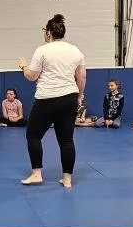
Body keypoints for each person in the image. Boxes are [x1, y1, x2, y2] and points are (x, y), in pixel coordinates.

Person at [16, 13, 85, 188]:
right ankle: (67, 179)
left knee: (33, 135)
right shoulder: (75, 50)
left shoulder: (42, 50)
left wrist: (23, 66)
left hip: (46, 99)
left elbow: (31, 76)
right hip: (69, 98)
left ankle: (37, 174)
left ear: (48, 33)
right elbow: (82, 77)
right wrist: (78, 96)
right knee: (66, 140)